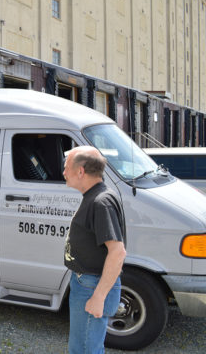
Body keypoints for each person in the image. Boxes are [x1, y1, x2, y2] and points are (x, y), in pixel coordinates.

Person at [62, 146, 126, 354]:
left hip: (91, 285)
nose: (63, 173)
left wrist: (98, 297)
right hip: (87, 282)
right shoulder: (96, 195)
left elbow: (117, 252)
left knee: (84, 349)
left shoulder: (101, 202)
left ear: (80, 171)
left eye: (66, 168)